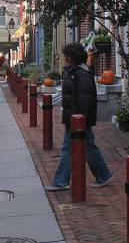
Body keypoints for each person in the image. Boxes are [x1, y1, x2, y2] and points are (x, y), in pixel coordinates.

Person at [45, 42, 112, 191]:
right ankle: (103, 174)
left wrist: (80, 119)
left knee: (69, 149)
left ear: (71, 57)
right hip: (74, 118)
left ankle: (61, 181)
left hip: (78, 119)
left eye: (66, 56)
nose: (64, 59)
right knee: (88, 147)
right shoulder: (72, 72)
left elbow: (85, 98)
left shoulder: (82, 75)